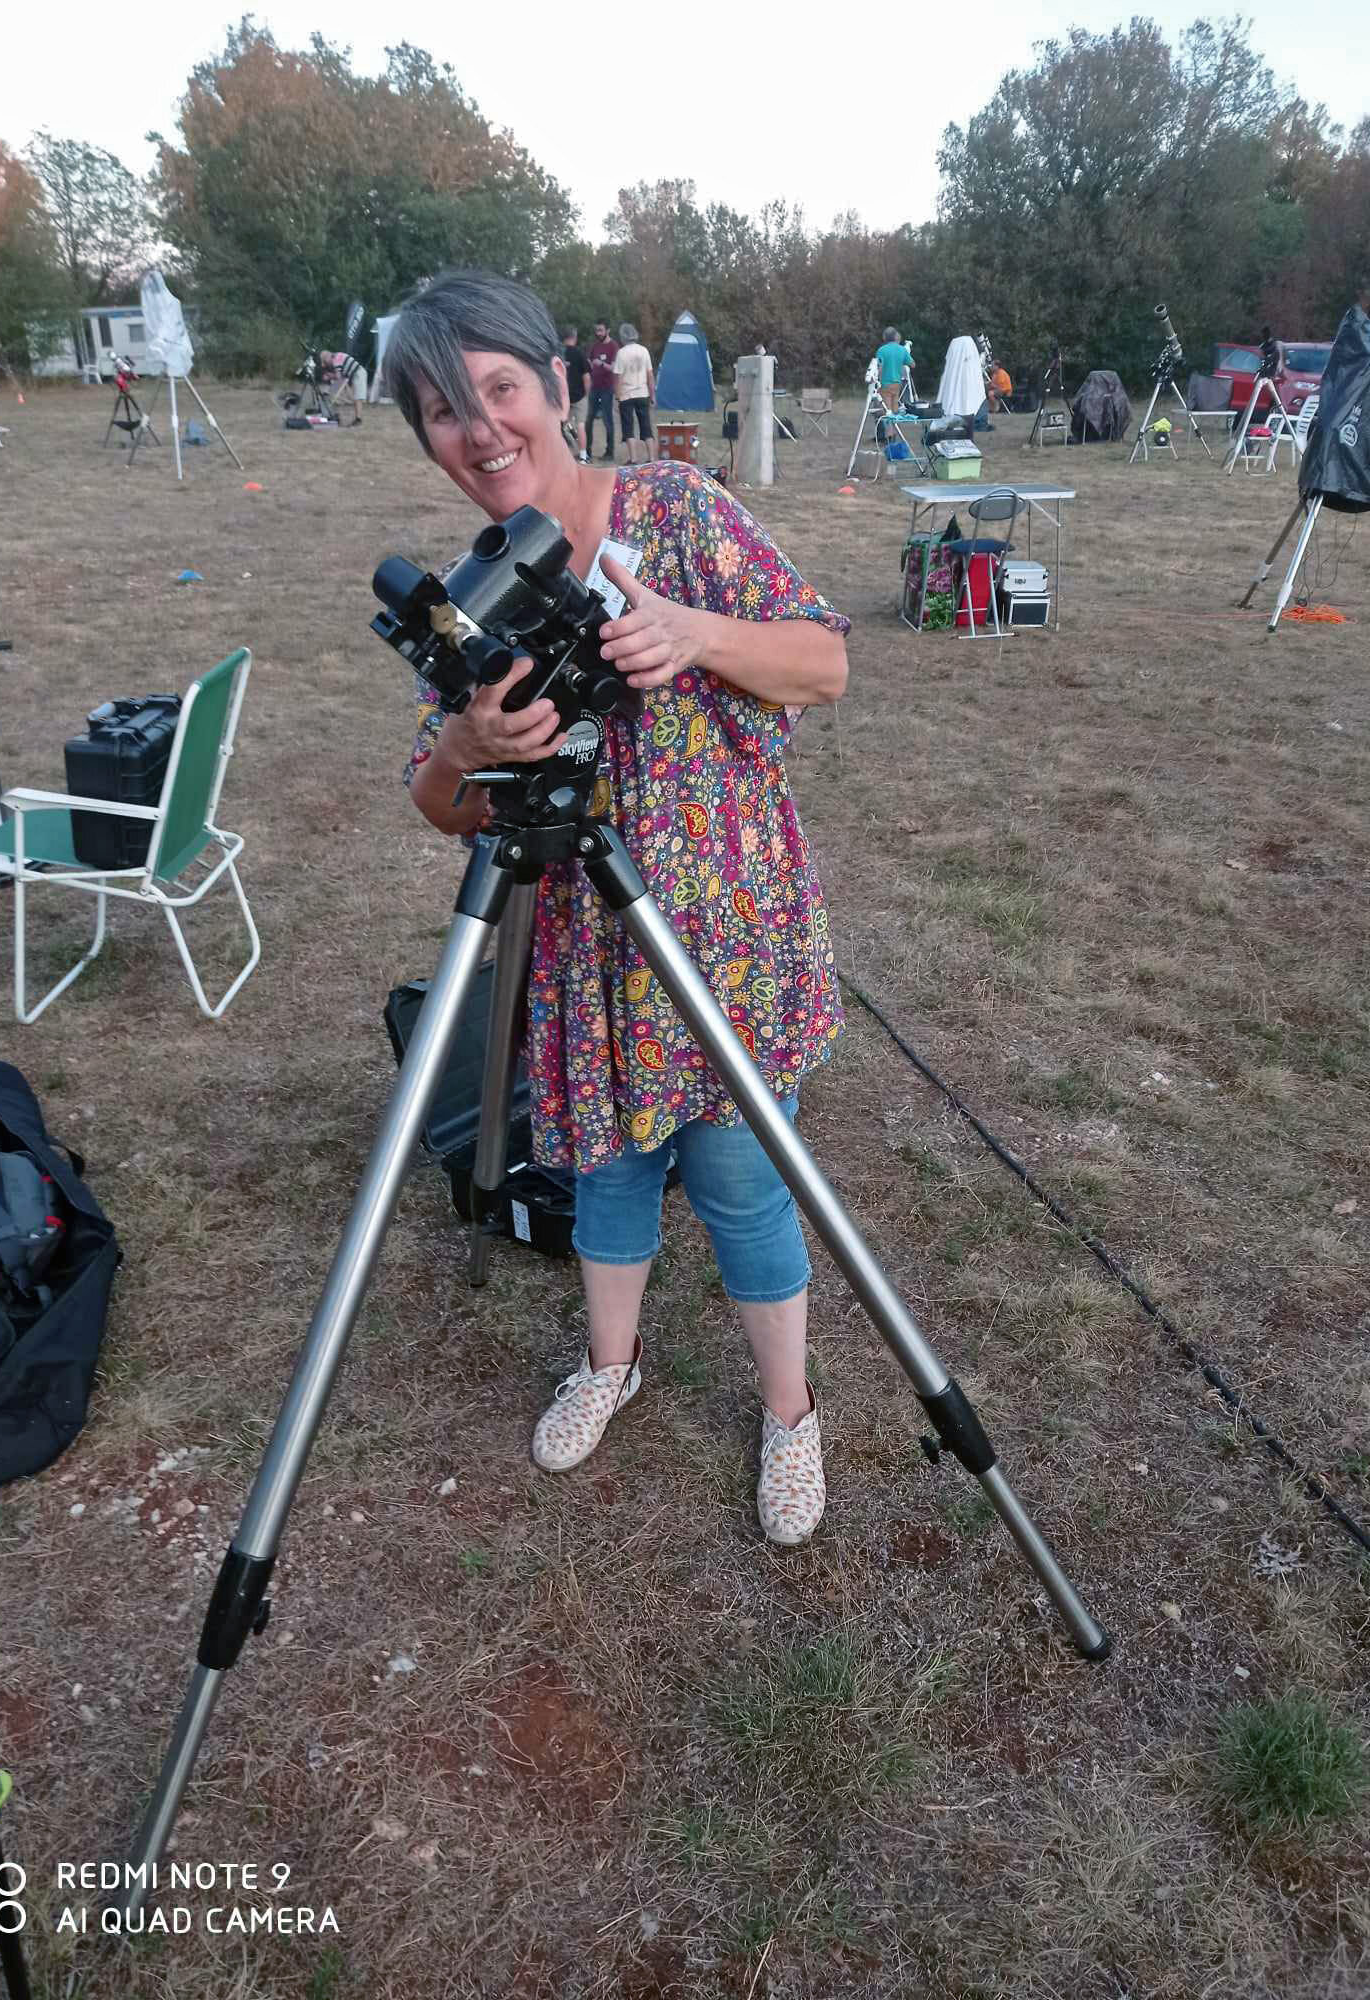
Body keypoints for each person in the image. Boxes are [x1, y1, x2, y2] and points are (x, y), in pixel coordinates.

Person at [385, 270, 850, 1548]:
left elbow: (822, 659)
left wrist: (693, 631)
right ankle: (610, 1362)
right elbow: (438, 801)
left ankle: (789, 1410)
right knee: (603, 1175)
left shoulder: (677, 508)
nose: (480, 429)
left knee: (741, 1183)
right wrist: (469, 743)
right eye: (443, 410)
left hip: (723, 941)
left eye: (498, 389)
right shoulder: (474, 597)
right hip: (583, 955)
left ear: (555, 387)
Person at [613, 320, 656, 465]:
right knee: (646, 426)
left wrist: (617, 398)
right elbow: (650, 375)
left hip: (627, 395)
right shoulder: (644, 351)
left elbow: (618, 379)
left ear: (622, 337)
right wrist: (652, 395)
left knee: (628, 427)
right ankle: (651, 458)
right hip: (643, 393)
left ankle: (633, 458)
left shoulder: (621, 353)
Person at [585, 319, 618, 461]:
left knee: (607, 420)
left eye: (601, 330)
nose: (598, 333)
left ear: (608, 330)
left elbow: (614, 368)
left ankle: (610, 452)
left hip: (607, 388)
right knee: (588, 419)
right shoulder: (595, 346)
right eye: (597, 330)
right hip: (594, 387)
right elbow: (589, 361)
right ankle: (586, 451)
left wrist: (601, 364)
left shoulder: (613, 346)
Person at [561, 325, 589, 457]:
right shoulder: (579, 353)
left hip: (563, 396)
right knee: (580, 425)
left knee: (562, 425)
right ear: (575, 337)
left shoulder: (558, 354)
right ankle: (583, 455)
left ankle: (567, 451)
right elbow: (586, 376)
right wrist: (586, 393)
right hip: (579, 396)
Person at [873, 326, 911, 412]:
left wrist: (879, 381)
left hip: (886, 383)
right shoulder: (902, 350)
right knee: (894, 406)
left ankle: (889, 418)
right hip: (897, 382)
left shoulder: (882, 350)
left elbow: (880, 367)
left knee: (887, 408)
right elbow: (911, 364)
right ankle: (894, 418)